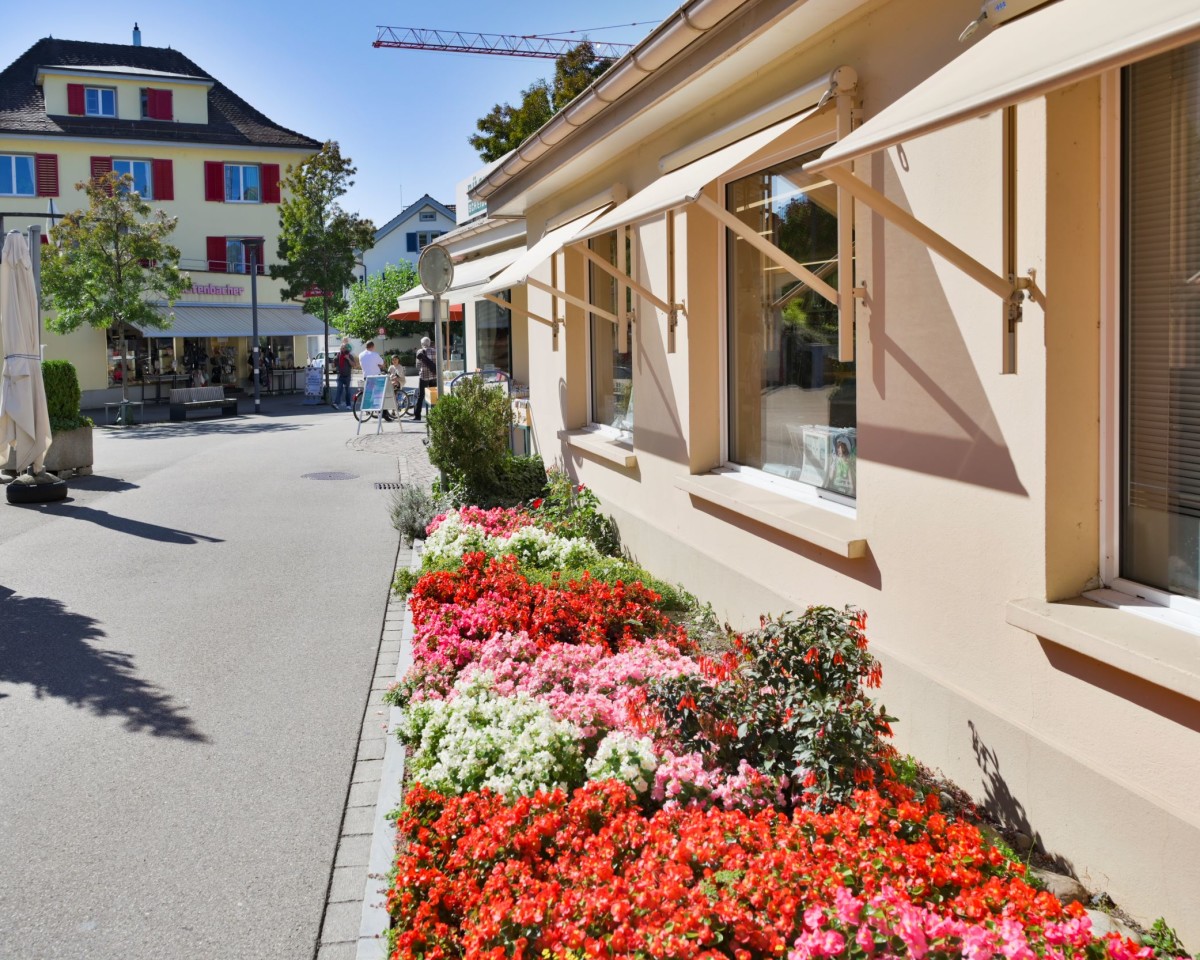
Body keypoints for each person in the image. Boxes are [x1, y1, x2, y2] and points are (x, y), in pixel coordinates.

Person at [413, 336, 436, 422]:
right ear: (429, 343)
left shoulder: (420, 351)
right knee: (433, 395)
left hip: (423, 376)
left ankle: (417, 415)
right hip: (434, 376)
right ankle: (435, 414)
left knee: (421, 395)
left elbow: (417, 366)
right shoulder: (435, 351)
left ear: (422, 344)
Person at [332, 343, 355, 409]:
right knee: (339, 389)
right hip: (340, 376)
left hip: (347, 376)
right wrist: (333, 361)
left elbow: (353, 365)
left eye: (344, 348)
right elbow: (333, 366)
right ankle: (336, 403)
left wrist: (348, 359)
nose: (343, 349)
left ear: (346, 349)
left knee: (347, 391)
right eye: (342, 348)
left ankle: (348, 405)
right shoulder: (338, 356)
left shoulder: (349, 355)